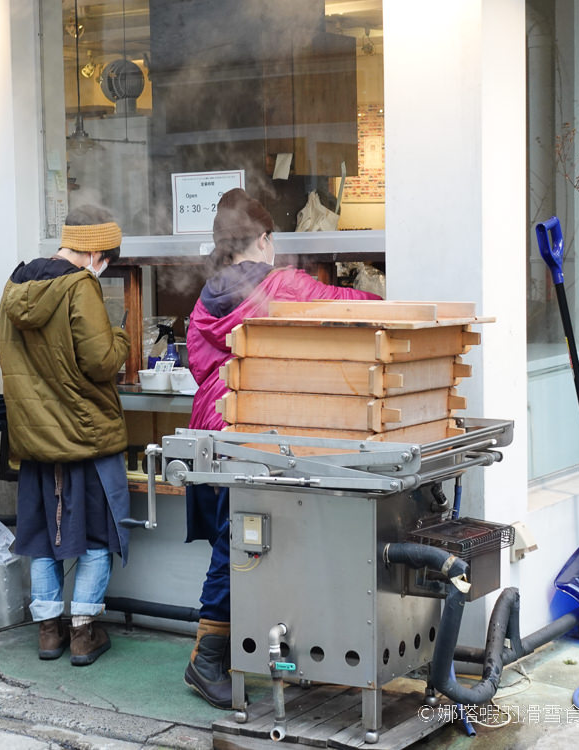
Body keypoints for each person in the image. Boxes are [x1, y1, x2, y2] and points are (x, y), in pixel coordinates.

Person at [183, 188, 381, 708]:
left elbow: (201, 368)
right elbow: (360, 308)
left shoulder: (206, 299)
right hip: (258, 427)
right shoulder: (284, 285)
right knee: (249, 545)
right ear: (265, 240)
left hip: (214, 423)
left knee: (240, 540)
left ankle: (261, 654)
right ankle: (207, 661)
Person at [0, 205, 131, 667]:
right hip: (83, 438)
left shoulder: (15, 287)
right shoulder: (81, 287)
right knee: (96, 537)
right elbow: (99, 362)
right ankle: (83, 633)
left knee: (41, 538)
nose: (106, 266)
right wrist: (123, 338)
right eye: (108, 258)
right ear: (94, 252)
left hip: (35, 441)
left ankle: (48, 634)